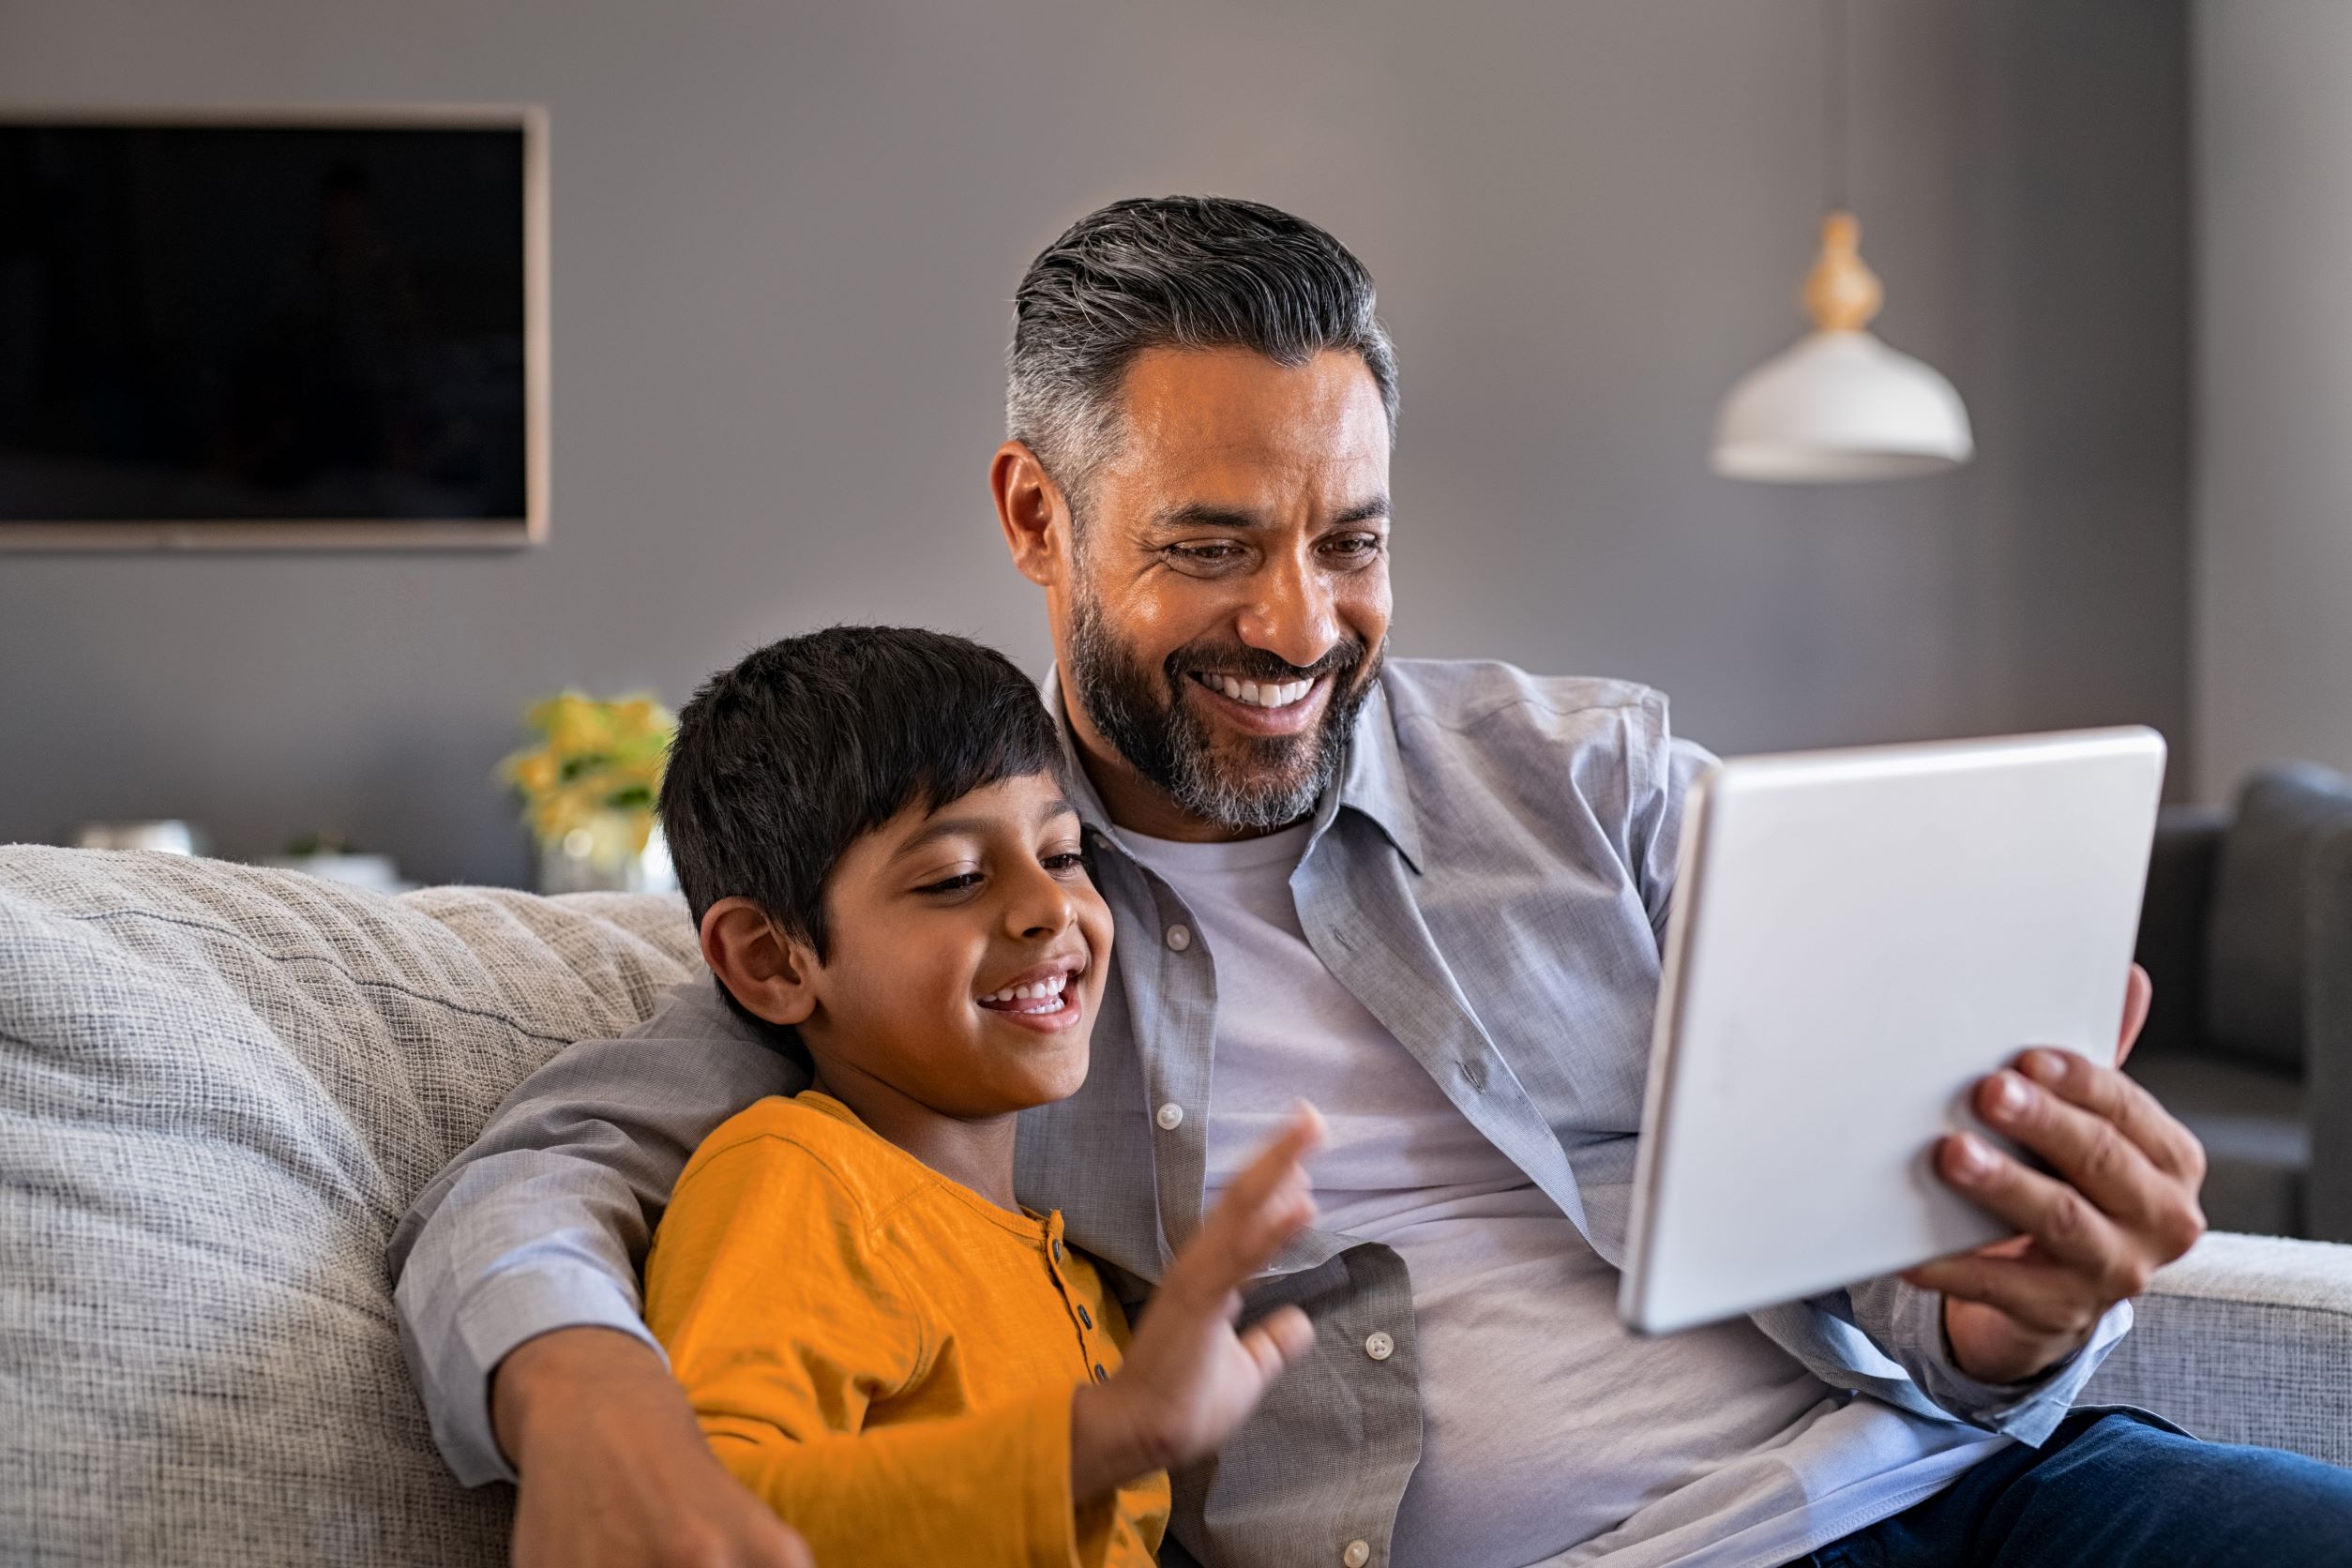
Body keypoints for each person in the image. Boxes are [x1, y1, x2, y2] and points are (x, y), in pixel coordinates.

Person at [391, 196, 2352, 1568]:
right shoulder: (970, 930)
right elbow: (544, 1167)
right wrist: (580, 1398)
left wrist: (2017, 1311)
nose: (1299, 621)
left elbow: (1893, 1273)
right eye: (1215, 543)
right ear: (1032, 515)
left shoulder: (1591, 779)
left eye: (1351, 538)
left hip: (1959, 1487)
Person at [638, 625, 1325, 1566]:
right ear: (771, 959)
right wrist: (1108, 1433)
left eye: (1066, 854)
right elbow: (703, 1518)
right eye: (956, 876)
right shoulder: (801, 1180)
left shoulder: (1072, 1267)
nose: (1048, 906)